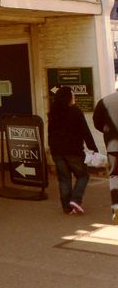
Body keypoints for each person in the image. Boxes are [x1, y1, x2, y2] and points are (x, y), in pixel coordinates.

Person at [47, 86, 98, 215]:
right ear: (68, 98)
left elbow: (50, 133)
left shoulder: (53, 112)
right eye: (72, 95)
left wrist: (52, 150)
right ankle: (75, 199)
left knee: (64, 179)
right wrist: (93, 148)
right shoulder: (76, 112)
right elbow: (85, 132)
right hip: (73, 151)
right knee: (83, 175)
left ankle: (66, 207)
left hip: (58, 152)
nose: (74, 98)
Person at [93, 89, 118, 222]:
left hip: (113, 147)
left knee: (115, 176)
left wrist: (107, 132)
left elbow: (97, 122)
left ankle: (116, 210)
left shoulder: (104, 101)